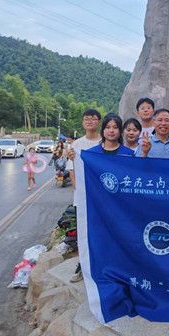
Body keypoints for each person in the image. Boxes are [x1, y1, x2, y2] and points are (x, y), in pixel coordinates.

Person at [67, 108, 101, 283]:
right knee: (84, 234)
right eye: (87, 118)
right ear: (82, 122)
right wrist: (79, 190)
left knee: (101, 234)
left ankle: (101, 268)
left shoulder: (104, 142)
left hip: (102, 200)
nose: (90, 121)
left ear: (99, 122)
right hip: (83, 197)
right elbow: (72, 170)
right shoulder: (76, 145)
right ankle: (83, 267)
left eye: (93, 118)